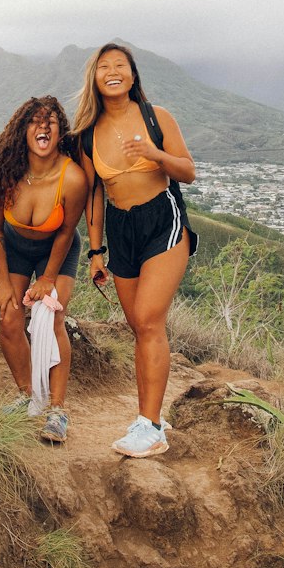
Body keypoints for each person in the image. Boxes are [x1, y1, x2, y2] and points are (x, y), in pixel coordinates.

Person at [73, 43, 197, 457]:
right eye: (104, 66)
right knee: (139, 327)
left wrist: (154, 153)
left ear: (132, 74)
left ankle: (151, 426)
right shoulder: (88, 135)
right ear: (94, 77)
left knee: (147, 320)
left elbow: (188, 171)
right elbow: (93, 195)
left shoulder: (156, 117)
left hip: (163, 220)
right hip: (120, 228)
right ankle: (147, 419)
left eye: (120, 65)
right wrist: (95, 252)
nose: (113, 71)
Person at [0, 95, 87, 444]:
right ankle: (29, 398)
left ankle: (56, 409)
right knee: (8, 316)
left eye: (50, 120)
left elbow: (66, 232)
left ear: (60, 130)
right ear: (23, 130)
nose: (43, 126)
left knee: (50, 317)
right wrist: (3, 280)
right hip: (13, 249)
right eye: (34, 120)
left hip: (57, 251)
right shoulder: (2, 170)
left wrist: (48, 280)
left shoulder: (73, 179)